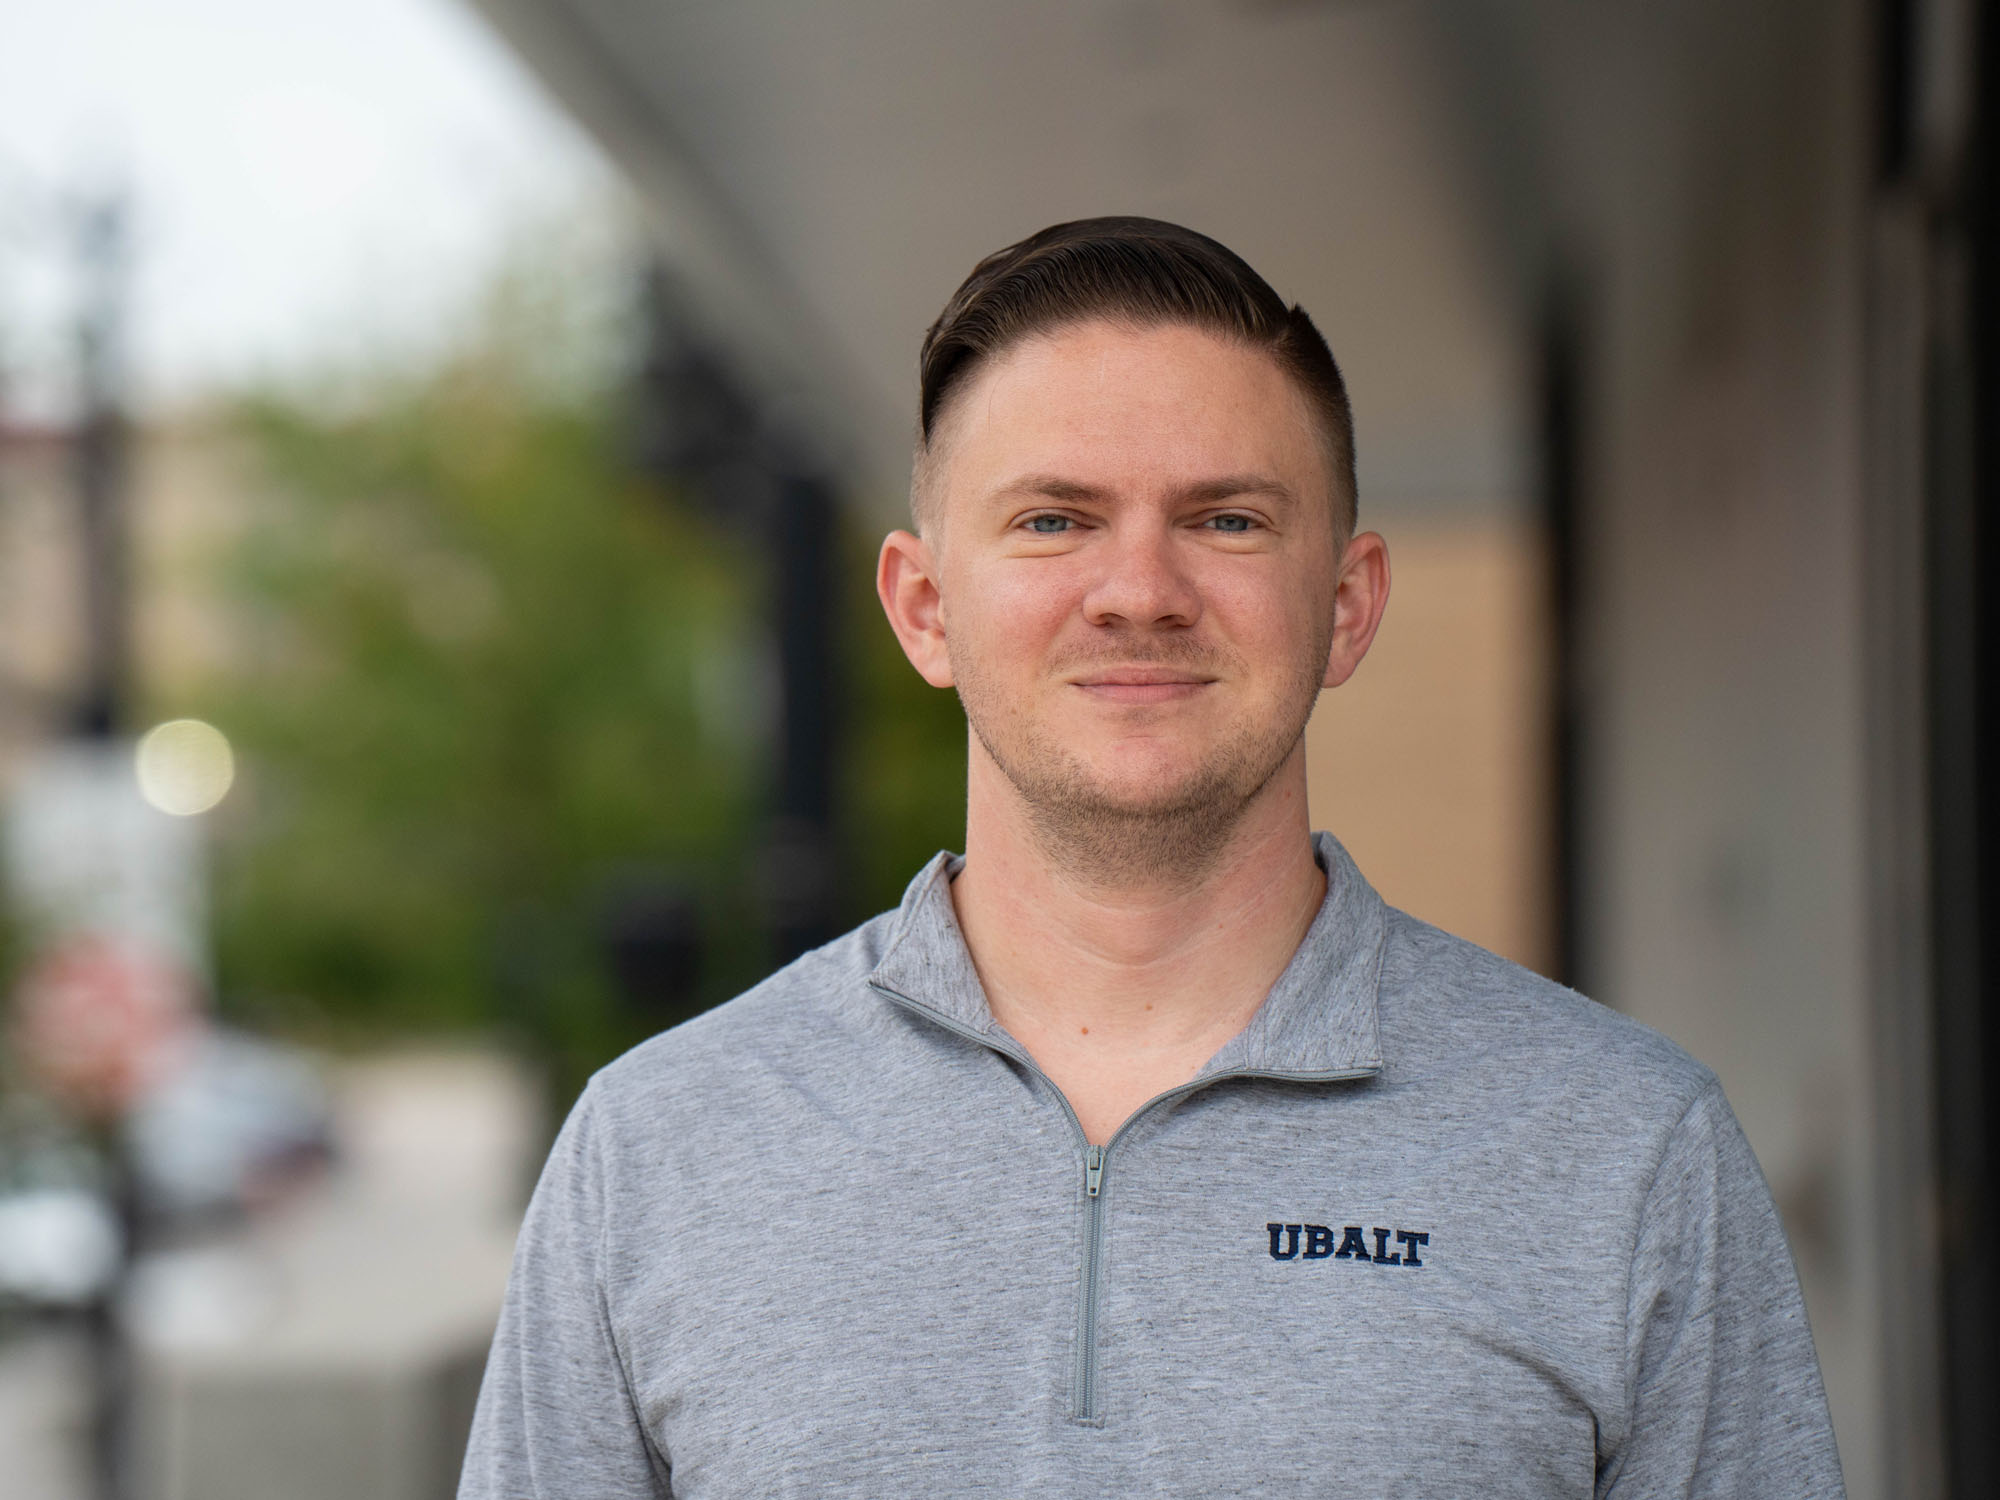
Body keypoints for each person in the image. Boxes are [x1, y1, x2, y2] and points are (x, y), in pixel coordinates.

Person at [459, 217, 1844, 1497]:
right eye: (1053, 519)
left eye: (1226, 519)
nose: (1139, 593)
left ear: (1349, 606)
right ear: (926, 608)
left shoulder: (1624, 1152)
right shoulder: (657, 1154)